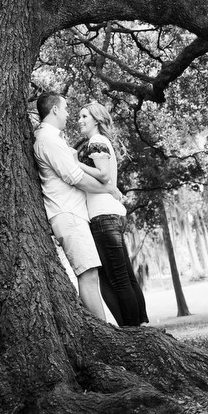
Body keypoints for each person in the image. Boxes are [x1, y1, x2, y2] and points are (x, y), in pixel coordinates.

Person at [33, 92, 123, 321]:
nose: (68, 114)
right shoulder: (48, 139)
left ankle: (105, 328)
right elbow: (76, 177)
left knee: (92, 273)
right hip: (68, 213)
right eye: (65, 109)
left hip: (73, 214)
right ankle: (103, 330)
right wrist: (109, 189)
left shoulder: (54, 139)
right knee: (88, 274)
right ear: (54, 110)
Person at [76, 100, 149, 327]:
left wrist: (74, 163)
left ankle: (133, 331)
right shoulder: (101, 141)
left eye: (84, 116)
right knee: (121, 277)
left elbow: (104, 174)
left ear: (97, 120)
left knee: (117, 280)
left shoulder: (96, 140)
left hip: (104, 217)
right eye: (79, 116)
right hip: (110, 215)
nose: (80, 120)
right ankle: (139, 327)